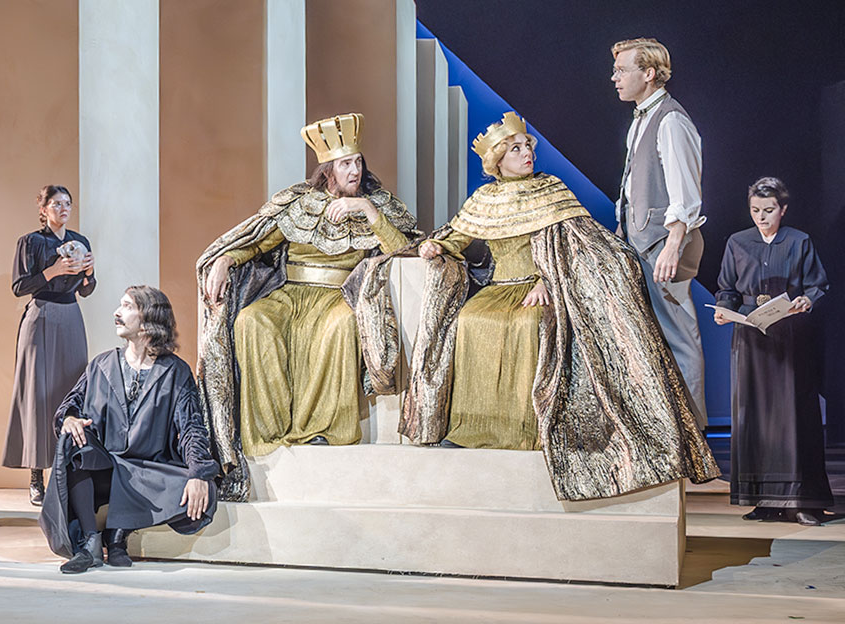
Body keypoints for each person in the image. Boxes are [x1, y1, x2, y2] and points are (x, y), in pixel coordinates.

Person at [404, 111, 719, 500]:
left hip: (542, 288)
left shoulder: (550, 189)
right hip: (500, 286)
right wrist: (437, 246)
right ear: (498, 160)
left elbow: (581, 246)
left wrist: (548, 281)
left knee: (527, 324)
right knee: (469, 320)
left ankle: (530, 428)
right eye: (515, 149)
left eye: (527, 146)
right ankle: (474, 427)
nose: (526, 154)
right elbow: (458, 235)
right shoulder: (484, 199)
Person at [195, 113, 420, 498]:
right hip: (292, 294)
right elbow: (258, 241)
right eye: (346, 164)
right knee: (252, 321)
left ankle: (321, 429)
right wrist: (224, 260)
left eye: (359, 162)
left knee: (340, 327)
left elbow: (406, 249)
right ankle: (266, 430)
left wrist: (368, 212)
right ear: (328, 170)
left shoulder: (378, 203)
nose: (355, 169)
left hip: (339, 295)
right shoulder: (300, 202)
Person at [39, 285, 218, 573]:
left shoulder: (175, 371)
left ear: (148, 319)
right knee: (73, 442)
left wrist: (197, 473)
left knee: (204, 486)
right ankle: (91, 542)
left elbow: (191, 428)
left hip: (145, 473)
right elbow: (71, 405)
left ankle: (118, 535)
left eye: (127, 306)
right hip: (105, 469)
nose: (117, 313)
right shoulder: (102, 364)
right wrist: (69, 418)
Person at [715, 177, 833, 525]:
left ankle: (802, 501)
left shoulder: (799, 241)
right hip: (751, 338)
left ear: (783, 209)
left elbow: (817, 284)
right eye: (755, 211)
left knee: (792, 416)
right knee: (755, 417)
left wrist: (806, 299)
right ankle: (764, 500)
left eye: (768, 211)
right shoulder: (737, 242)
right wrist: (723, 309)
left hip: (789, 336)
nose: (761, 218)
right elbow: (727, 288)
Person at [613, 37, 708, 428]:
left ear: (648, 74)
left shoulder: (670, 120)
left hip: (662, 246)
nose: (614, 77)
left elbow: (686, 193)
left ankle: (694, 439)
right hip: (641, 243)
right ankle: (665, 433)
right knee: (654, 339)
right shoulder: (641, 119)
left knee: (680, 339)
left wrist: (672, 245)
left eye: (622, 70)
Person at [3, 185, 95, 505]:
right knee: (38, 395)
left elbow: (86, 290)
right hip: (40, 317)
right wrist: (53, 270)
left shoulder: (80, 242)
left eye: (67, 203)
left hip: (71, 317)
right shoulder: (30, 242)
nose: (63, 208)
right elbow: (18, 286)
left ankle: (68, 470)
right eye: (56, 203)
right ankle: (35, 477)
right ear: (42, 208)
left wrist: (89, 273)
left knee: (71, 391)